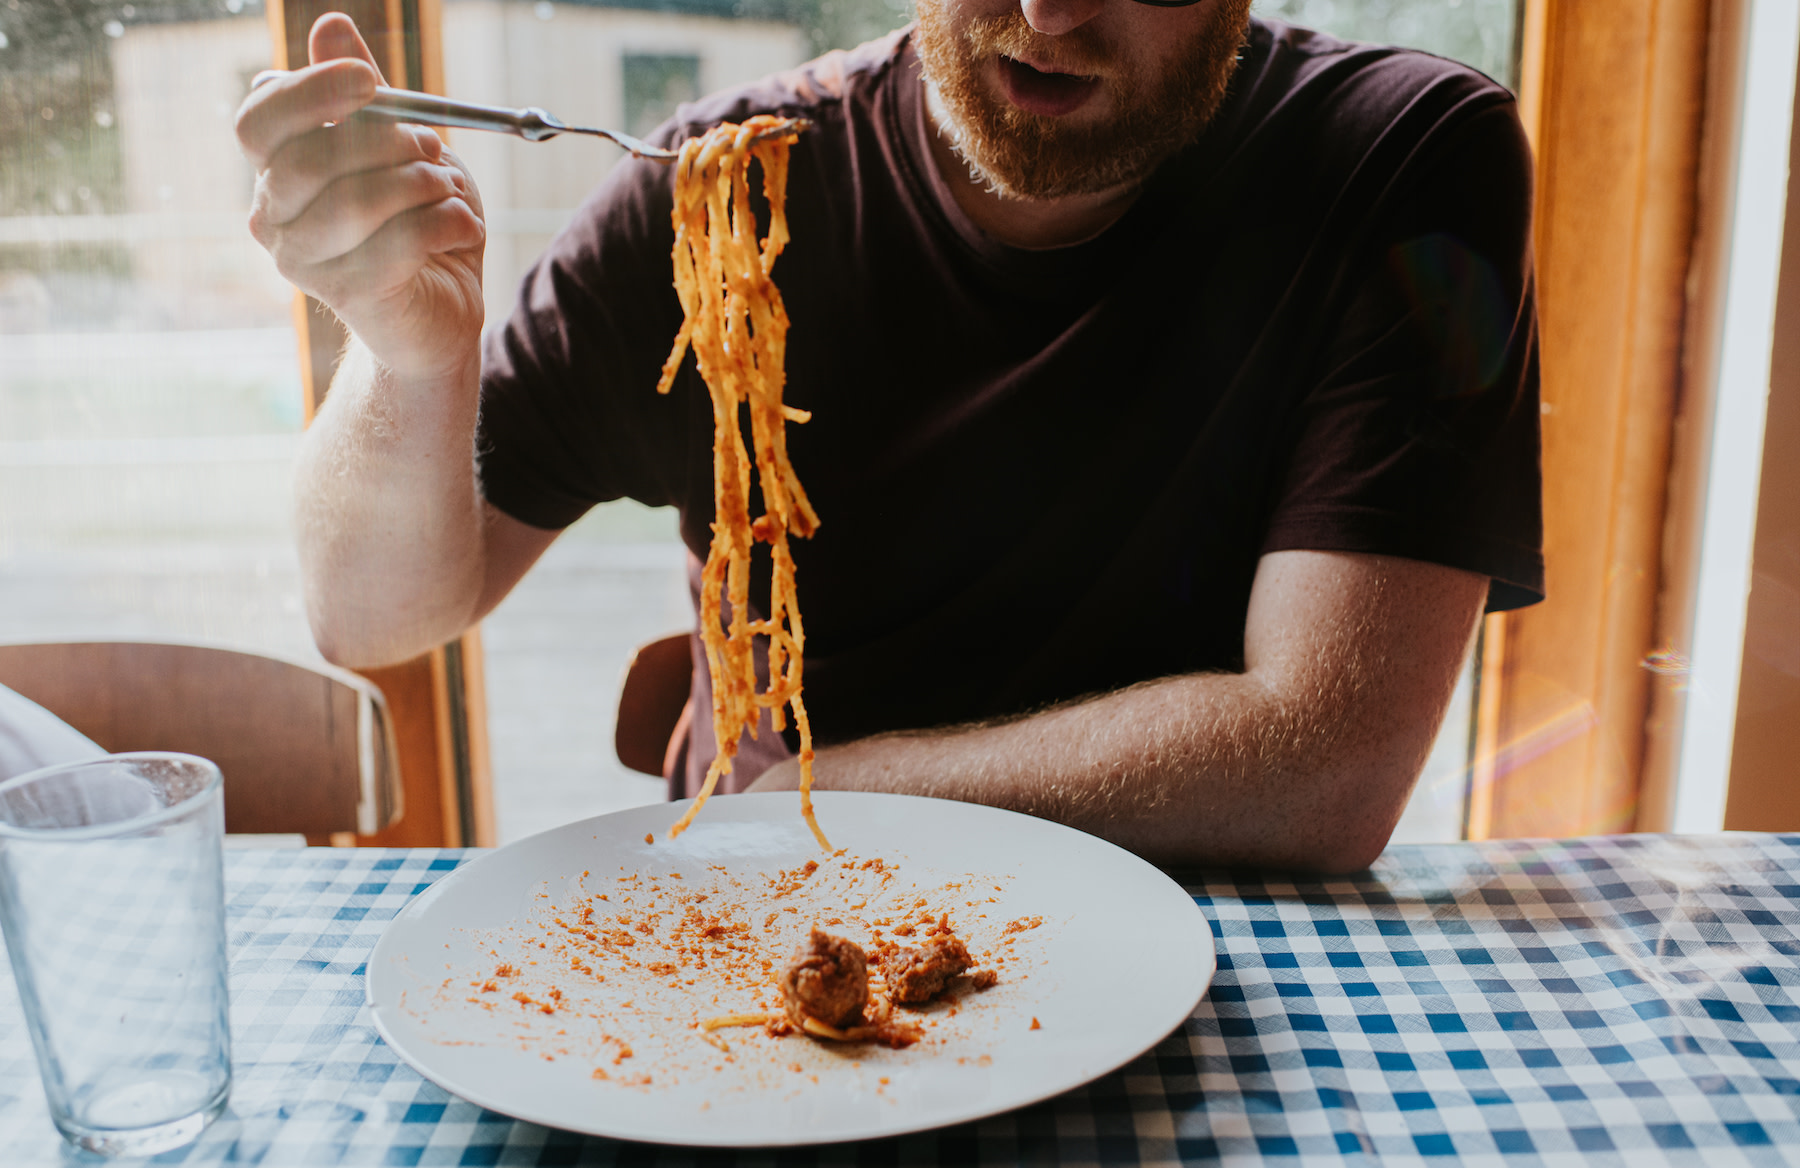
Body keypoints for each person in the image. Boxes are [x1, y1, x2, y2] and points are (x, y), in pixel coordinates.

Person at [235, 0, 1541, 872]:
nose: (1050, 12)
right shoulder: (720, 196)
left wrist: (828, 789)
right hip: (774, 912)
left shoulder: (1400, 157)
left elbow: (1332, 762)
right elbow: (371, 615)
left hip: (1194, 936)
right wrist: (409, 355)